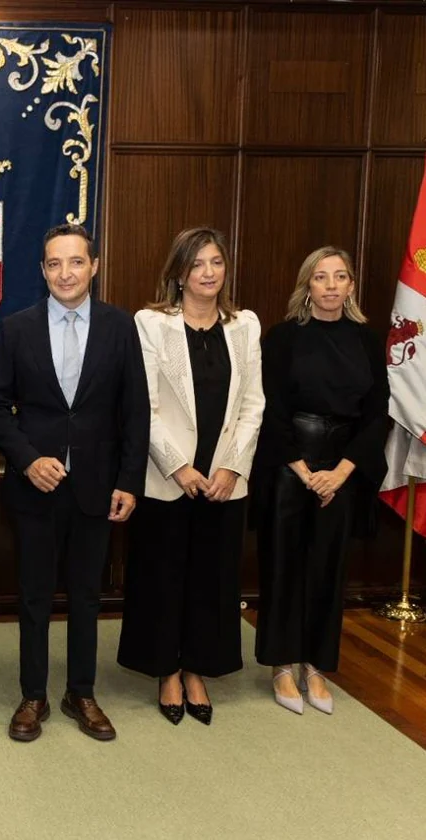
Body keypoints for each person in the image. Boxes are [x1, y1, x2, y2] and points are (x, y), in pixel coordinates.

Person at [0, 223, 148, 743]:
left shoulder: (121, 327)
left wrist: (129, 480)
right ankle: (33, 694)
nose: (65, 273)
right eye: (54, 264)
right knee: (34, 596)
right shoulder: (17, 329)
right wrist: (29, 459)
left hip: (98, 488)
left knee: (86, 597)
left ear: (93, 266)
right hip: (36, 488)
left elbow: (135, 411)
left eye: (75, 262)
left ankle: (82, 692)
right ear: (42, 270)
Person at [116, 227, 264, 726]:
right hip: (168, 479)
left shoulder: (246, 325)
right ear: (178, 272)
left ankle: (198, 667)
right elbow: (145, 405)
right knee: (163, 576)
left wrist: (230, 466)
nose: (208, 272)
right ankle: (167, 671)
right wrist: (178, 466)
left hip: (224, 482)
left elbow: (253, 404)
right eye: (197, 264)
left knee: (213, 578)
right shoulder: (151, 324)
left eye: (216, 262)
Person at [253, 246, 388, 715]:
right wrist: (303, 470)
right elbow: (269, 407)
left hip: (343, 467)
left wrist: (342, 472)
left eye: (340, 277)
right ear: (306, 285)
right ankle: (281, 666)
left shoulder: (368, 341)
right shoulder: (283, 337)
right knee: (284, 564)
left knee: (329, 569)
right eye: (321, 277)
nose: (331, 285)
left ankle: (315, 665)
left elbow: (377, 415)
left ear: (351, 285)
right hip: (292, 465)